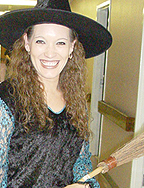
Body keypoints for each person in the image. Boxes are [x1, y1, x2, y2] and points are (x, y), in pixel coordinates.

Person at [0, 0, 112, 187]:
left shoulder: (75, 100)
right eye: (41, 41)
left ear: (72, 47)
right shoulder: (6, 100)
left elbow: (81, 164)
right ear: (27, 43)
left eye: (60, 42)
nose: (50, 53)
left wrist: (86, 185)